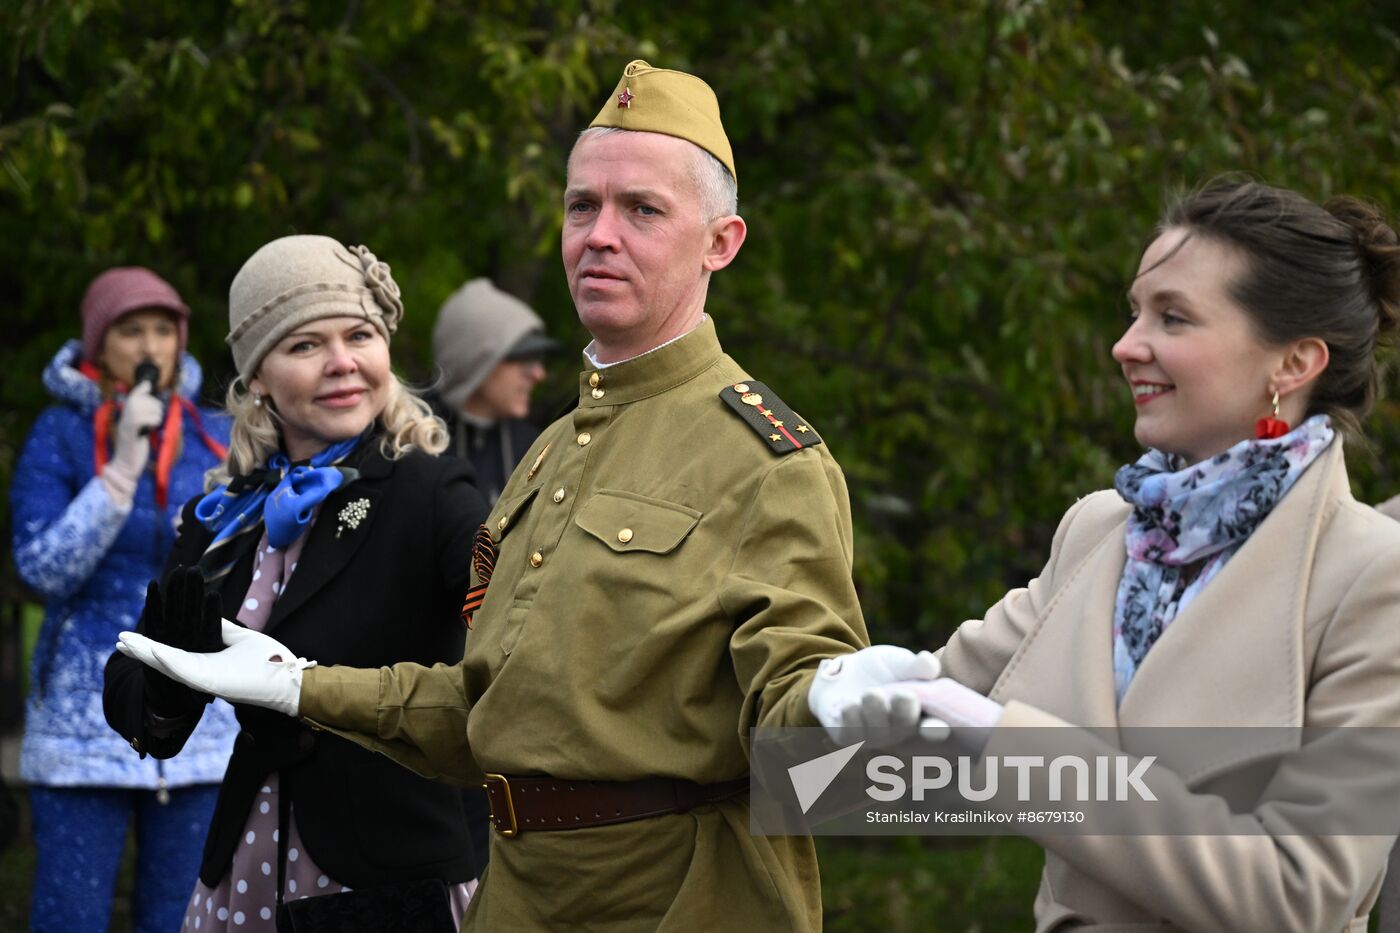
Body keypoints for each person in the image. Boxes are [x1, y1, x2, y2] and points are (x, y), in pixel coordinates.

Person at [113, 60, 880, 931]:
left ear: (721, 242)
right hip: (516, 897)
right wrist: (300, 685)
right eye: (581, 205)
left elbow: (805, 726)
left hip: (671, 901)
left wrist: (834, 702)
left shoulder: (766, 459)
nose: (599, 234)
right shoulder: (552, 451)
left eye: (643, 209)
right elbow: (486, 714)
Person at [813, 180, 1400, 931]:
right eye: (1135, 311)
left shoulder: (1371, 576)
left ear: (1294, 363)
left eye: (1174, 317)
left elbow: (1300, 892)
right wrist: (842, 686)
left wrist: (1017, 751)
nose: (1126, 345)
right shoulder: (1101, 528)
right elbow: (929, 703)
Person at [103, 235, 489, 931]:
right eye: (306, 345)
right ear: (257, 377)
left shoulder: (430, 489)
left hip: (393, 872)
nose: (343, 363)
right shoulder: (223, 516)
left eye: (360, 335)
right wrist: (167, 680)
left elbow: (515, 608)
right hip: (251, 861)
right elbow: (138, 708)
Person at [10, 266, 236, 933]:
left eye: (163, 329)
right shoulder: (59, 433)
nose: (149, 345)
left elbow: (243, 564)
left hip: (198, 719)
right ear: (96, 343)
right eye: (130, 329)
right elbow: (42, 566)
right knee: (70, 918)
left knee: (184, 920)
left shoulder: (214, 431)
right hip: (82, 729)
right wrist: (122, 468)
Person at [427, 277, 559, 503]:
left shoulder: (535, 449)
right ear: (477, 361)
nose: (538, 374)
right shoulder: (410, 439)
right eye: (524, 360)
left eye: (538, 360)